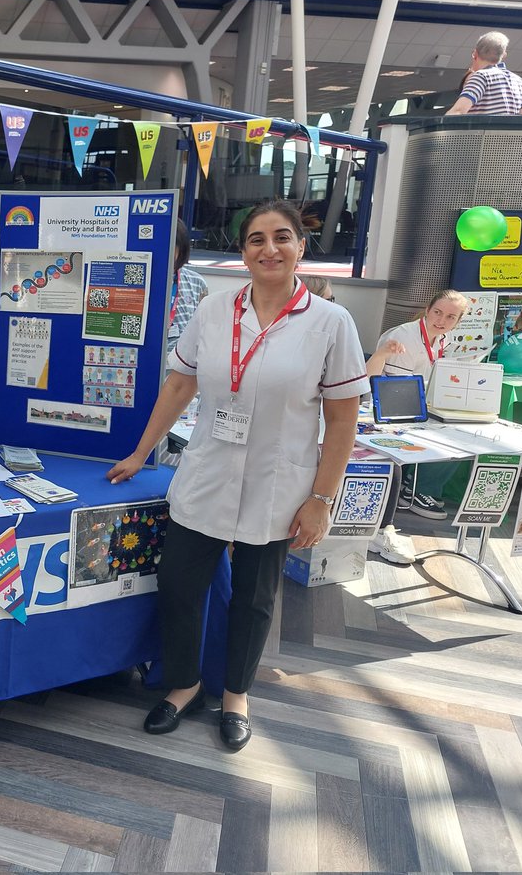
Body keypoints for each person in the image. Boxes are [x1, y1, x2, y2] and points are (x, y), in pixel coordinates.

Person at [107, 199, 366, 752]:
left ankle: (236, 695)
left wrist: (322, 497)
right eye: (256, 239)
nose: (269, 249)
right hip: (208, 472)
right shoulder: (215, 310)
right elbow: (180, 385)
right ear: (242, 251)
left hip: (280, 482)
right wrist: (139, 452)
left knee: (254, 596)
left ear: (301, 246)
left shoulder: (330, 323)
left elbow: (343, 417)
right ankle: (185, 684)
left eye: (281, 237)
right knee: (179, 585)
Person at [366, 289, 469, 521]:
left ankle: (420, 486)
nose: (442, 321)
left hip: (420, 403)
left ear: (458, 321)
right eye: (438, 313)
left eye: (451, 317)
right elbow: (397, 389)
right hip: (389, 406)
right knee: (447, 432)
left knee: (461, 427)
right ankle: (417, 489)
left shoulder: (445, 338)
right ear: (427, 310)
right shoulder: (404, 336)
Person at [446, 32, 522, 116]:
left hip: (481, 130)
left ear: (474, 53)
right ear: (503, 55)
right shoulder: (519, 81)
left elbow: (458, 111)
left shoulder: (481, 77)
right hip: (508, 131)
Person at [166, 220, 209, 354]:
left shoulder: (196, 282)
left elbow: (204, 329)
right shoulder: (133, 285)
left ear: (181, 248)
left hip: (181, 364)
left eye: (170, 246)